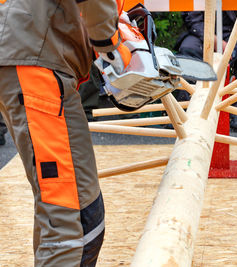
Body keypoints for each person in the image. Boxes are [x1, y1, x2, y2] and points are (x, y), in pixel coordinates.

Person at [0, 0, 131, 265]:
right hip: (37, 63)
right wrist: (110, 44)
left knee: (78, 211)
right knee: (71, 219)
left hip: (37, 56)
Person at [175, 10, 237, 132]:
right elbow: (193, 19)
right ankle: (183, 111)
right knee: (188, 49)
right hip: (202, 32)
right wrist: (214, 40)